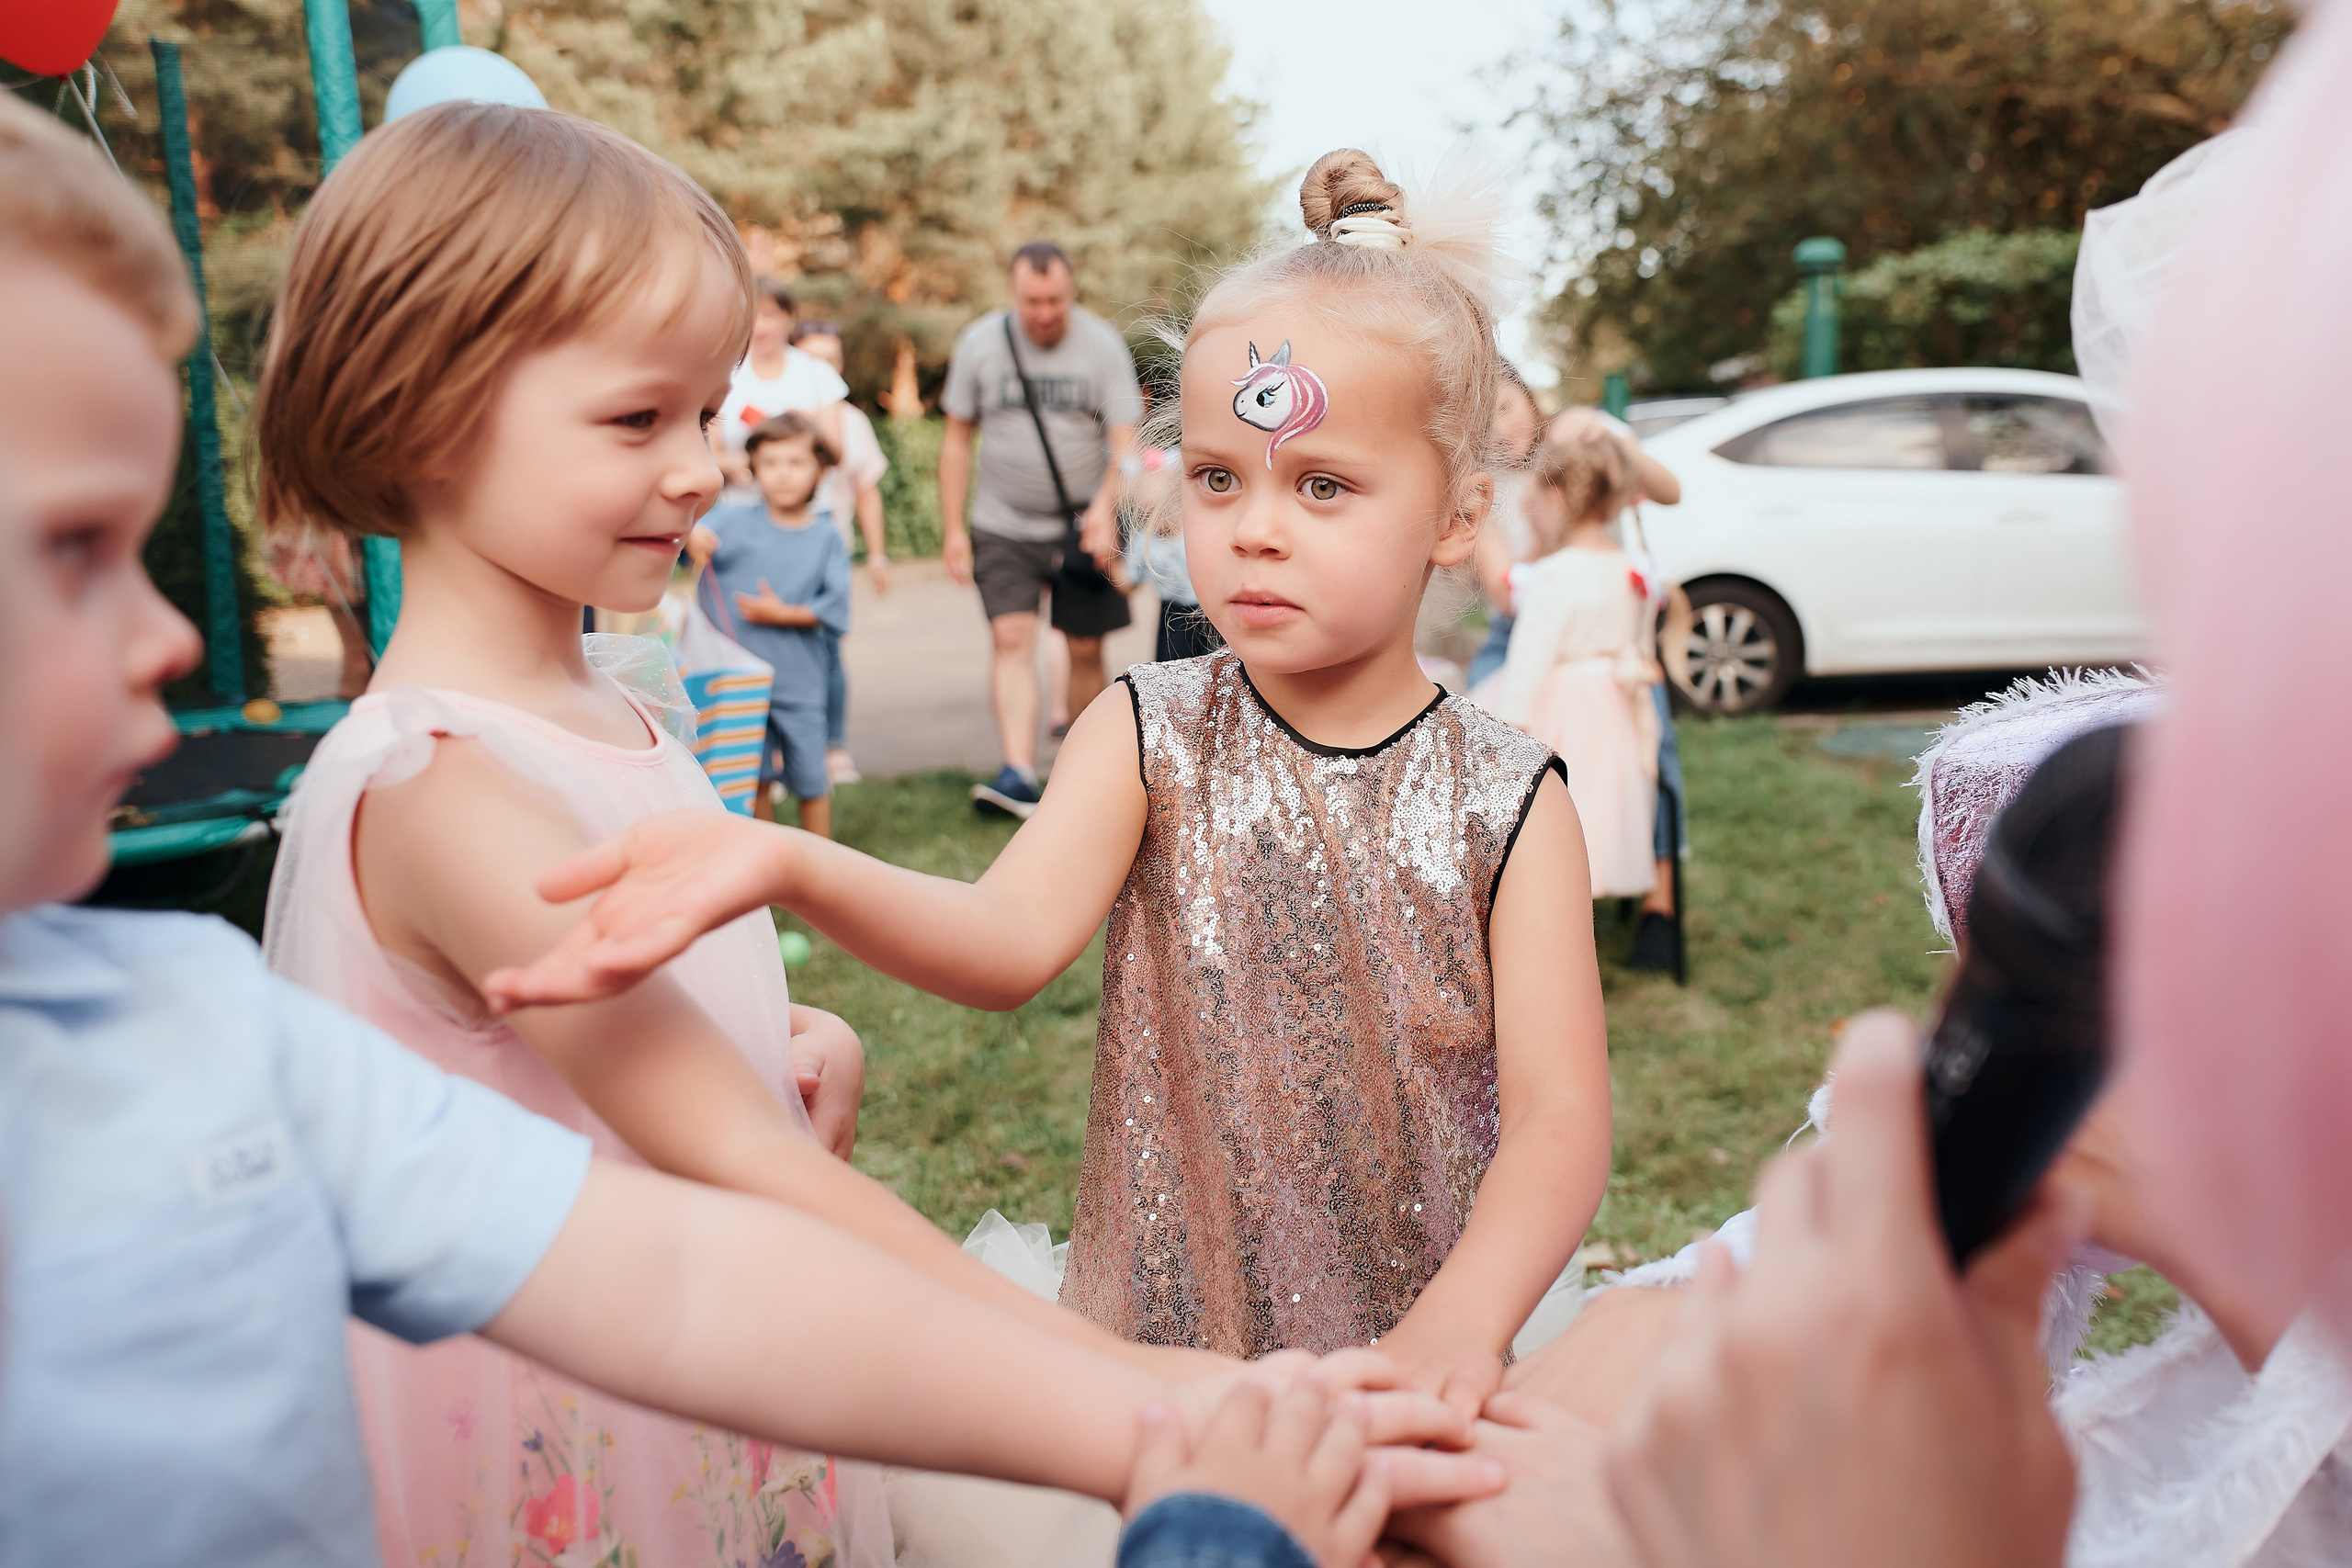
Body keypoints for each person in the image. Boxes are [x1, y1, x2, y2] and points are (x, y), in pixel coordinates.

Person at [0, 91, 1506, 1568]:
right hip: (577, 1454)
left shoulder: (614, 708)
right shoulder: (440, 783)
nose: (701, 464)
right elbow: (722, 1171)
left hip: (715, 1399)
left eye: (707, 412)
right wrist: (1147, 1393)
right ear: (427, 410)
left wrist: (776, 1039)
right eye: (637, 416)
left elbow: (620, 1096)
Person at [484, 148, 1615, 1420]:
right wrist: (790, 860)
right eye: (1217, 477)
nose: (1253, 528)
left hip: (1425, 1354)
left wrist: (1460, 1326)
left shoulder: (1511, 797)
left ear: (1456, 516)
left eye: (1323, 486)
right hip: (1161, 1354)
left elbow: (1560, 1114)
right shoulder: (1145, 729)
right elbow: (1004, 941)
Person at [940, 239, 1140, 818]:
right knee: (1011, 638)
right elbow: (956, 442)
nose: (1045, 313)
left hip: (1083, 525)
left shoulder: (1101, 343)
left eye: (1056, 300)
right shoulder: (980, 343)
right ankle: (1018, 774)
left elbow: (1126, 441)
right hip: (1002, 523)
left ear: (1071, 291)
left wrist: (1105, 507)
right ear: (1014, 292)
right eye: (1033, 301)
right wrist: (953, 528)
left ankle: (1081, 775)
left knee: (1084, 645)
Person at [1474, 432, 1660, 901]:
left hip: (1561, 703)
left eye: (1533, 501)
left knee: (1550, 802)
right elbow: (1638, 645)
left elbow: (1530, 658)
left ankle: (1545, 894)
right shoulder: (1629, 566)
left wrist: (1509, 727)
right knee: (1599, 799)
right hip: (1615, 704)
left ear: (1555, 498)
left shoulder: (1555, 574)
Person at [689, 410, 848, 837]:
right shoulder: (729, 521)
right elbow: (689, 537)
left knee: (811, 776)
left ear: (820, 470)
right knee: (752, 775)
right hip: (738, 683)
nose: (783, 474)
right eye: (771, 462)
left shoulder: (826, 537)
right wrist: (693, 536)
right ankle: (768, 855)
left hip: (799, 682)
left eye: (796, 462)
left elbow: (836, 609)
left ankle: (820, 858)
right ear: (754, 467)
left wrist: (785, 614)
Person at [788, 318, 890, 786]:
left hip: (832, 548)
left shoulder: (852, 422)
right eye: (814, 359)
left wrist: (877, 556)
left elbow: (867, 491)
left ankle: (833, 746)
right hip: (779, 550)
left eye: (831, 358)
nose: (824, 368)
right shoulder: (779, 416)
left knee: (827, 648)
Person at [714, 276, 848, 506]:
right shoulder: (724, 374)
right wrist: (753, 465)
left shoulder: (818, 374)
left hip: (808, 512)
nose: (760, 327)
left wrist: (808, 430)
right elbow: (710, 454)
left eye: (769, 315)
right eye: (752, 315)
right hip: (742, 508)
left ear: (789, 318)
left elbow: (837, 453)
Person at [1121, 446, 1219, 661]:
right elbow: (1128, 582)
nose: (1155, 522)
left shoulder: (1194, 535)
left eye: (1162, 512)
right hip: (1171, 616)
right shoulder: (1143, 541)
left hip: (1205, 612)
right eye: (1147, 515)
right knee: (1171, 664)